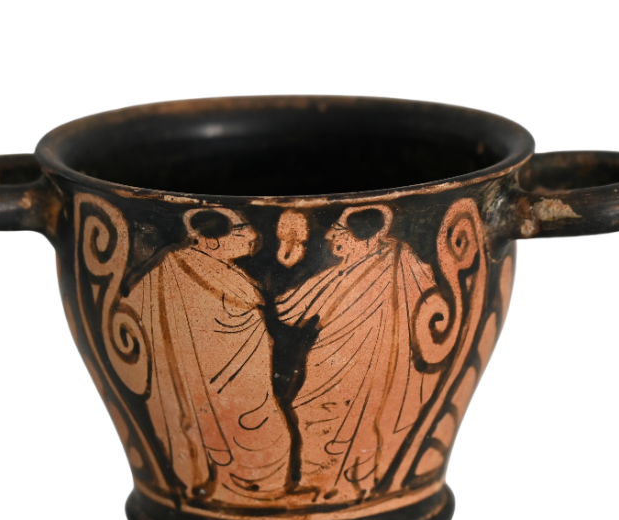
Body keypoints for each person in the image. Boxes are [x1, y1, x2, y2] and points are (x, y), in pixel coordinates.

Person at [122, 208, 291, 504]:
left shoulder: (223, 272)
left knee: (269, 436)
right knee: (249, 434)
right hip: (202, 385)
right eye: (242, 229)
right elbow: (134, 312)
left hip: (249, 386)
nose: (253, 236)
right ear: (212, 240)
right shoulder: (169, 272)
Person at [277, 205, 441, 502]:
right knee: (315, 414)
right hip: (332, 362)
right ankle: (324, 482)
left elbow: (288, 310)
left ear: (364, 236)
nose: (329, 235)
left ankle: (349, 485)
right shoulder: (345, 271)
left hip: (372, 364)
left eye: (339, 231)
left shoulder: (397, 264)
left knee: (357, 417)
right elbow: (288, 309)